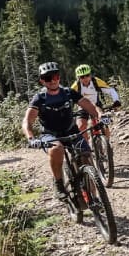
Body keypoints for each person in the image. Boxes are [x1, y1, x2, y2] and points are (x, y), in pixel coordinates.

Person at [22, 61, 102, 196]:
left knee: (86, 157)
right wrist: (31, 138)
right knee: (56, 149)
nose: (53, 81)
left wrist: (100, 116)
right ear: (42, 81)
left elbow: (89, 106)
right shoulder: (40, 99)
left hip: (71, 130)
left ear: (59, 77)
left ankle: (94, 198)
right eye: (48, 78)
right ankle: (58, 183)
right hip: (50, 135)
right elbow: (27, 121)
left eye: (56, 77)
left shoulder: (68, 93)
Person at [71, 64, 121, 133]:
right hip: (83, 107)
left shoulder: (96, 81)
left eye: (87, 75)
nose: (85, 78)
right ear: (78, 78)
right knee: (81, 127)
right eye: (82, 77)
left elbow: (111, 90)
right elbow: (68, 99)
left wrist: (116, 101)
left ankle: (107, 142)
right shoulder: (75, 86)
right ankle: (85, 143)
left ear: (90, 75)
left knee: (104, 123)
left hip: (96, 104)